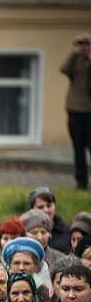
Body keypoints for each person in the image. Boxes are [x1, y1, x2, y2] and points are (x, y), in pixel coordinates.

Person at [61, 34, 91, 190]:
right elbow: (64, 69)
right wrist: (74, 51)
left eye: (87, 44)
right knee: (78, 148)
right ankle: (81, 182)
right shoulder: (76, 62)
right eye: (82, 44)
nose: (85, 47)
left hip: (90, 112)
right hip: (75, 110)